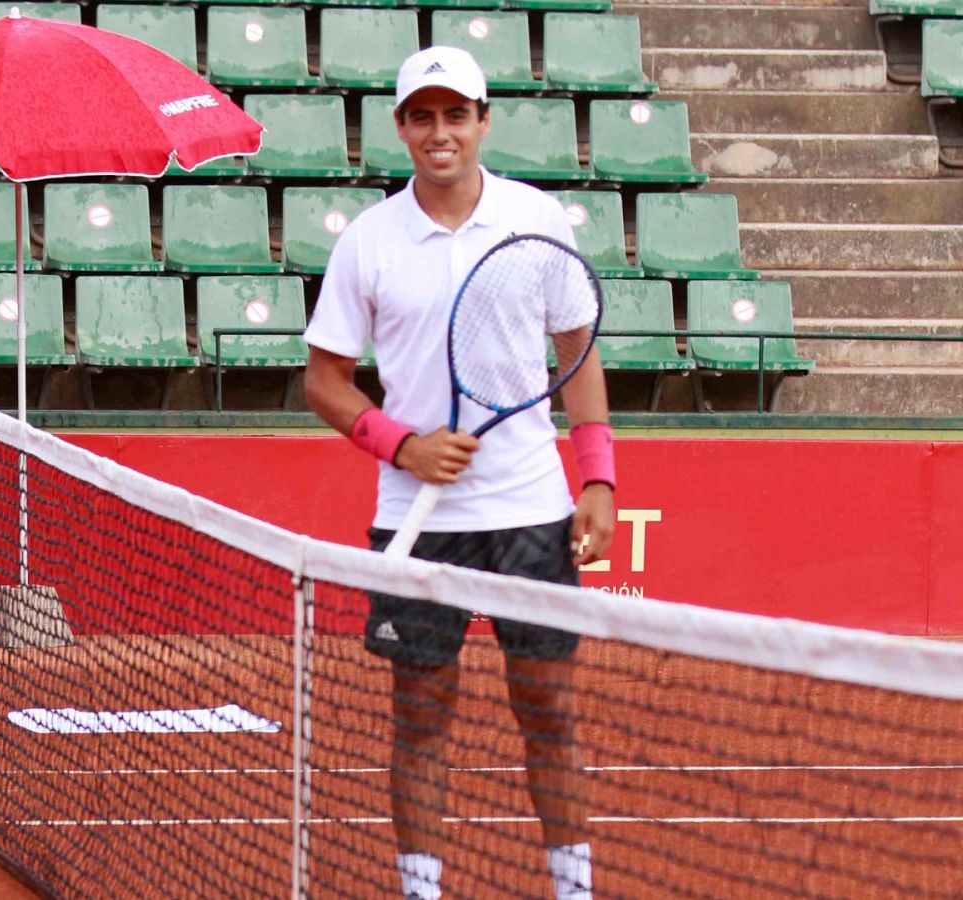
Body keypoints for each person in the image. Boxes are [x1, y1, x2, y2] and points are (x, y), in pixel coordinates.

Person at [302, 46, 616, 900]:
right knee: (421, 719)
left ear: (482, 121)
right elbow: (324, 380)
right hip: (419, 519)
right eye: (422, 116)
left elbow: (576, 355)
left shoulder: (537, 219)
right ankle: (421, 891)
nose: (440, 132)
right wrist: (399, 444)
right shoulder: (369, 241)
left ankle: (573, 889)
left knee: (549, 712)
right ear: (402, 128)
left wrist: (598, 479)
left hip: (529, 513)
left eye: (456, 114)